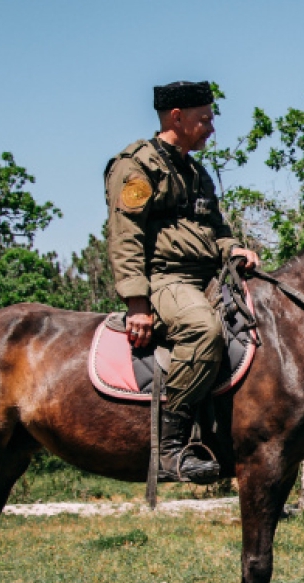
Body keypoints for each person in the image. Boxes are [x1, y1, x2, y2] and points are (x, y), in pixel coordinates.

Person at [105, 80, 260, 483]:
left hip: (208, 276)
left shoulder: (195, 171)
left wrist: (234, 250)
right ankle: (169, 450)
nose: (211, 128)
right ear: (177, 117)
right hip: (163, 280)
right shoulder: (136, 166)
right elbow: (126, 236)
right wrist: (137, 302)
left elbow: (216, 229)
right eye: (205, 119)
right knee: (203, 330)